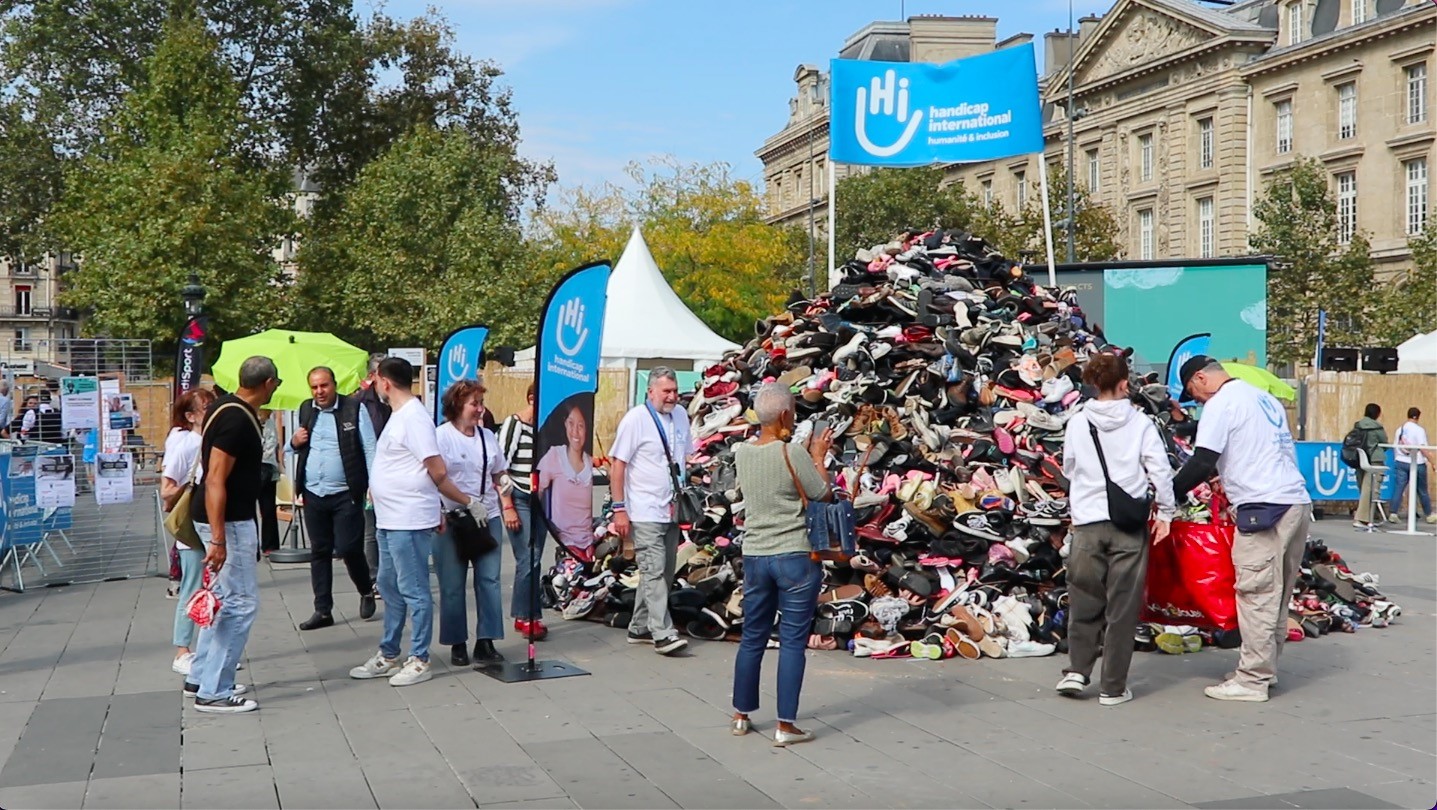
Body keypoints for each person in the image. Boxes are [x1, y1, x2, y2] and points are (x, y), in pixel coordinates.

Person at [1172, 355, 1311, 703]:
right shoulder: (1261, 398)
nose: (1198, 401)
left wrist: (1167, 494)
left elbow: (1202, 461)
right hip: (1295, 500)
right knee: (1277, 595)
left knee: (1256, 593)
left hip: (1263, 506)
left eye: (1194, 392)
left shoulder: (1221, 404)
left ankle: (1251, 681)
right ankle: (1265, 668)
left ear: (1202, 378)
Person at [1055, 353, 1175, 706]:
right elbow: (1160, 471)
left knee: (1084, 597)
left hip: (1088, 522)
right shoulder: (1140, 423)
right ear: (1125, 383)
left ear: (1093, 382)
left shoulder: (1078, 422)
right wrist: (1166, 512)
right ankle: (1113, 687)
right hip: (1128, 526)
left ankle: (1077, 670)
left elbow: (1068, 467)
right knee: (1122, 607)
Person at [349, 358, 475, 687]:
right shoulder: (398, 416)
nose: (374, 384)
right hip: (389, 518)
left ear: (385, 382)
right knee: (389, 586)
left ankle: (419, 658)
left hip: (408, 518)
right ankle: (389, 653)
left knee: (414, 589)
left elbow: (436, 469)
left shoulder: (415, 418)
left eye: (375, 379)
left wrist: (456, 502)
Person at [729, 384, 830, 746]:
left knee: (752, 638)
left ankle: (741, 715)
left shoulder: (742, 452)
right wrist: (818, 456)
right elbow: (822, 494)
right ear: (786, 416)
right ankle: (785, 725)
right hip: (794, 557)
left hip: (755, 555)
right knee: (791, 642)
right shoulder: (792, 452)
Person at [183, 356, 280, 713]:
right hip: (229, 521)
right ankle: (215, 690)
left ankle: (201, 677)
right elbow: (215, 479)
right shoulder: (236, 419)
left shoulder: (225, 408)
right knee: (240, 605)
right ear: (268, 383)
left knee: (223, 600)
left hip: (224, 518)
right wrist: (220, 538)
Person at [434, 379, 522, 667]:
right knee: (452, 583)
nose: (480, 410)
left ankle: (486, 640)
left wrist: (504, 483)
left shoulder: (487, 437)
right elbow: (435, 478)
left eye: (481, 404)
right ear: (458, 405)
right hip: (452, 517)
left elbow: (498, 470)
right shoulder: (441, 437)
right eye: (475, 404)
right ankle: (457, 642)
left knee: (489, 580)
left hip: (486, 517)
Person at [609, 367, 692, 657]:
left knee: (664, 571)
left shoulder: (681, 415)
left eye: (674, 390)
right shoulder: (636, 419)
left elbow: (684, 458)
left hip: (670, 507)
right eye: (666, 391)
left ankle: (640, 626)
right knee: (654, 570)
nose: (671, 396)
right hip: (643, 507)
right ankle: (663, 633)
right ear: (651, 391)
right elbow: (617, 464)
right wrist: (619, 509)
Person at [290, 367, 378, 630]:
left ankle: (365, 589)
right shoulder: (306, 409)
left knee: (349, 548)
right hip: (313, 492)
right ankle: (323, 610)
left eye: (324, 386)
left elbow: (370, 447)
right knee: (320, 551)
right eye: (314, 387)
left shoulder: (353, 408)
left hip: (345, 493)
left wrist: (374, 485)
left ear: (334, 384)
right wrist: (294, 442)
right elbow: (294, 446)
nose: (319, 392)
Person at [162, 387, 217, 676]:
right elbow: (166, 491)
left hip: (208, 522)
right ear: (190, 415)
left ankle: (206, 650)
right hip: (192, 526)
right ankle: (182, 650)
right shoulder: (186, 444)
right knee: (193, 587)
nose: (210, 411)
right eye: (205, 407)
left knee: (209, 587)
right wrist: (192, 484)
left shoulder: (206, 440)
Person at [499, 383, 550, 640]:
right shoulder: (515, 424)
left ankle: (525, 614)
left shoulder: (545, 429)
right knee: (529, 556)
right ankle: (527, 616)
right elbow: (500, 467)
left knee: (534, 558)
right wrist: (507, 505)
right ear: (531, 398)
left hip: (540, 499)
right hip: (518, 495)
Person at [535, 404, 596, 556]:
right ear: (564, 425)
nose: (575, 431)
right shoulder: (554, 455)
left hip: (589, 544)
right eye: (571, 423)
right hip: (564, 542)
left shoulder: (591, 461)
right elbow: (537, 491)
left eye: (581, 425)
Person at [354, 353, 392, 588]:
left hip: (391, 473)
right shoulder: (360, 404)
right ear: (372, 376)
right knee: (372, 529)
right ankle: (373, 577)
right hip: (370, 474)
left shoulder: (391, 401)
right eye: (383, 373)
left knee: (388, 527)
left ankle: (388, 576)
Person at [1387, 407, 1436, 525]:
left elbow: (1396, 446)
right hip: (1416, 463)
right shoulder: (1419, 430)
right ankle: (1429, 514)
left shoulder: (1400, 429)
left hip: (1400, 461)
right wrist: (1433, 462)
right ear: (1418, 417)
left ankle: (1393, 512)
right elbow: (1423, 448)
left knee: (1399, 488)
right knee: (1422, 490)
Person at [1351, 403, 1388, 531]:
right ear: (1377, 414)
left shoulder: (1357, 425)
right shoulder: (1377, 428)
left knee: (1363, 488)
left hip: (1360, 459)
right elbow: (1384, 443)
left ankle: (1371, 516)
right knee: (1371, 489)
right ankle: (1361, 518)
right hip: (1374, 459)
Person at [258, 409, 282, 555]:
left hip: (267, 471)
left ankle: (270, 545)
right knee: (249, 512)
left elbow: (271, 446)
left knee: (268, 510)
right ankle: (253, 546)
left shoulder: (270, 425)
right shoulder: (249, 422)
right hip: (250, 470)